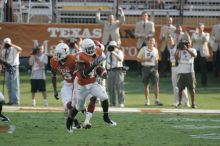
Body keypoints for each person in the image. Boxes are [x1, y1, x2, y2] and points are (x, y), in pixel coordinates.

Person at [66, 38, 117, 133]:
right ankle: (69, 123)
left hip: (92, 82)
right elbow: (83, 74)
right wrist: (94, 65)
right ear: (84, 49)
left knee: (104, 97)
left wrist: (103, 72)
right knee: (78, 107)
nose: (91, 50)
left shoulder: (98, 50)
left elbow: (100, 65)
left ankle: (106, 116)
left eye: (92, 48)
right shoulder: (80, 56)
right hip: (82, 84)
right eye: (88, 48)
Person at [137, 37, 163, 106]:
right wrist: (145, 59)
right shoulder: (143, 49)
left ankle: (157, 100)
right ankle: (147, 100)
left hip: (153, 68)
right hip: (145, 68)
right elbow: (138, 59)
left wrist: (157, 69)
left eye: (153, 41)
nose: (151, 43)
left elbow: (156, 60)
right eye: (150, 41)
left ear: (154, 43)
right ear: (147, 42)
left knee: (156, 84)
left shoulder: (155, 50)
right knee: (146, 85)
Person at [167, 36, 190, 107]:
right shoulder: (169, 48)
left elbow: (183, 48)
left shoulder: (177, 46)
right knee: (175, 85)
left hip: (179, 67)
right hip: (173, 67)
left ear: (173, 40)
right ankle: (176, 101)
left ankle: (186, 101)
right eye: (168, 41)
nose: (170, 41)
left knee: (182, 84)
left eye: (171, 40)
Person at [175, 34, 197, 108]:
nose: (187, 44)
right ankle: (180, 103)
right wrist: (178, 49)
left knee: (192, 89)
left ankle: (193, 103)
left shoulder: (192, 49)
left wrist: (187, 49)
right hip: (181, 72)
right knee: (180, 89)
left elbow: (194, 55)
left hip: (190, 72)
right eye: (185, 43)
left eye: (188, 43)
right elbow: (176, 58)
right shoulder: (180, 50)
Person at [1, 37, 22, 105]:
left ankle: (15, 101)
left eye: (7, 42)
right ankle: (11, 100)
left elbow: (20, 49)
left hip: (14, 67)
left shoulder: (14, 49)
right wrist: (3, 46)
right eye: (5, 43)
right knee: (8, 85)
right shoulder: (4, 50)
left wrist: (11, 45)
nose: (7, 44)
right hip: (7, 68)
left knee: (14, 85)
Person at [106, 41, 125, 107]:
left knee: (119, 87)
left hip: (118, 70)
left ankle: (121, 102)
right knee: (110, 87)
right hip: (110, 71)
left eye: (113, 46)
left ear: (116, 46)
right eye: (111, 46)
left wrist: (114, 53)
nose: (112, 48)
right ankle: (112, 102)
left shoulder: (119, 52)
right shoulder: (108, 53)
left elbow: (121, 59)